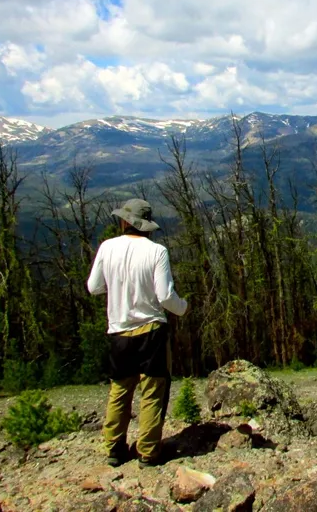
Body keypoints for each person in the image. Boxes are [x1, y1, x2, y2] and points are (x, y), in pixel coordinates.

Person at [87, 198, 188, 467]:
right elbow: (165, 296)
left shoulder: (107, 247)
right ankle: (148, 451)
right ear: (147, 226)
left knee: (119, 391)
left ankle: (115, 448)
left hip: (119, 331)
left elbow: (94, 287)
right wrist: (183, 308)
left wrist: (120, 286)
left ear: (124, 221)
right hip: (151, 330)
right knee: (153, 392)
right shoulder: (157, 252)